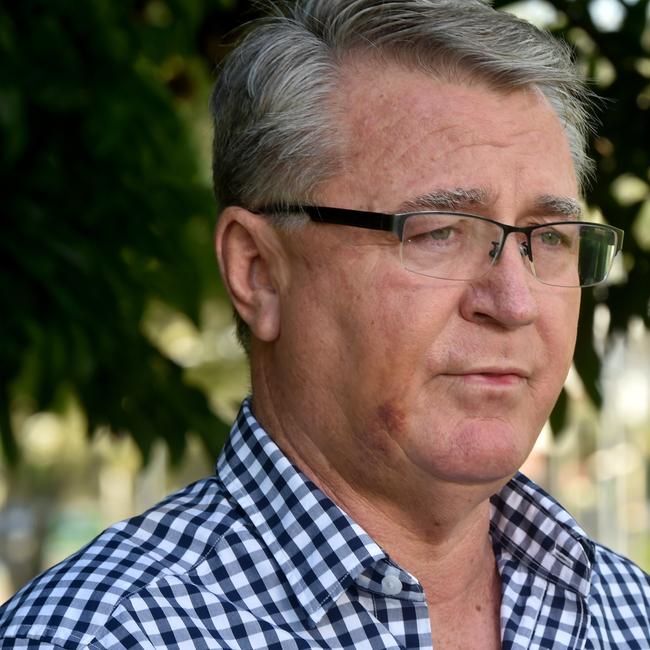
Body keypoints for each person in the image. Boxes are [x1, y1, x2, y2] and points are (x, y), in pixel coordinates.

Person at [1, 0, 649, 647]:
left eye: (550, 237)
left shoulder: (629, 614)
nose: (514, 302)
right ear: (258, 270)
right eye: (440, 232)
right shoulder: (103, 636)